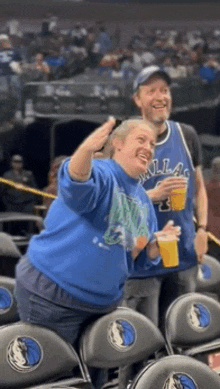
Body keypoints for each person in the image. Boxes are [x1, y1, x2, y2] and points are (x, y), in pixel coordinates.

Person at [15, 117, 180, 387]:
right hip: (52, 299)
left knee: (93, 381)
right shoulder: (103, 173)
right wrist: (85, 150)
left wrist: (154, 246)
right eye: (141, 139)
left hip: (102, 308)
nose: (149, 147)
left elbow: (132, 258)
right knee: (51, 380)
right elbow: (77, 181)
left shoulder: (143, 202)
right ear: (116, 143)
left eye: (152, 143)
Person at [123, 65, 208, 327]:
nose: (160, 96)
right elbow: (117, 202)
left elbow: (199, 188)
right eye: (151, 91)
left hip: (183, 259)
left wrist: (202, 229)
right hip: (141, 264)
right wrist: (151, 195)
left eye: (165, 90)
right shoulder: (124, 141)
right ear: (138, 99)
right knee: (140, 348)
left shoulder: (186, 135)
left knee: (185, 337)